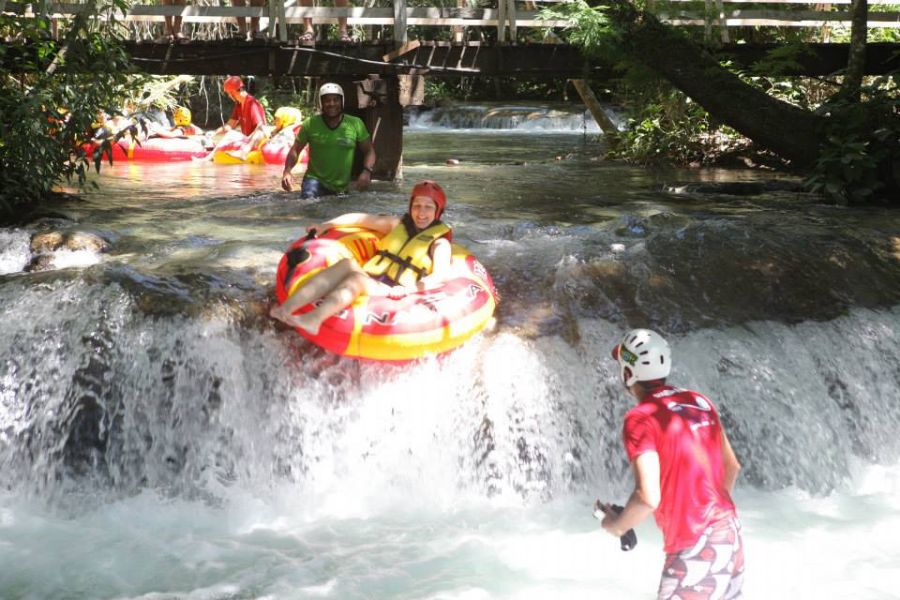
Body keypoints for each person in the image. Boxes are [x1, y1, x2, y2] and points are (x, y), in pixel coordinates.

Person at [597, 329, 744, 600]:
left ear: (628, 373)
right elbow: (731, 466)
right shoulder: (699, 401)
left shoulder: (641, 418)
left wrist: (616, 525)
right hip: (730, 536)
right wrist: (708, 514)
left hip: (696, 546)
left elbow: (647, 497)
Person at [270, 180, 452, 335]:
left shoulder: (439, 244)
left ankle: (314, 319)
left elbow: (441, 276)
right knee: (347, 264)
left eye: (428, 207)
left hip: (394, 290)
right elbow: (359, 219)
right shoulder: (396, 224)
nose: (421, 213)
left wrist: (407, 290)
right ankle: (286, 309)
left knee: (356, 279)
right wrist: (326, 225)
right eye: (417, 206)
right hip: (372, 278)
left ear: (437, 211)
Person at [281, 82, 375, 198]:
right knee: (309, 202)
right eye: (327, 100)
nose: (332, 104)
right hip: (314, 182)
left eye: (336, 100)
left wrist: (366, 171)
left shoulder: (355, 123)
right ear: (321, 103)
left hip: (341, 187)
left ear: (342, 101)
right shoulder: (310, 124)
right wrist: (287, 171)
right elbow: (295, 150)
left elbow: (369, 151)